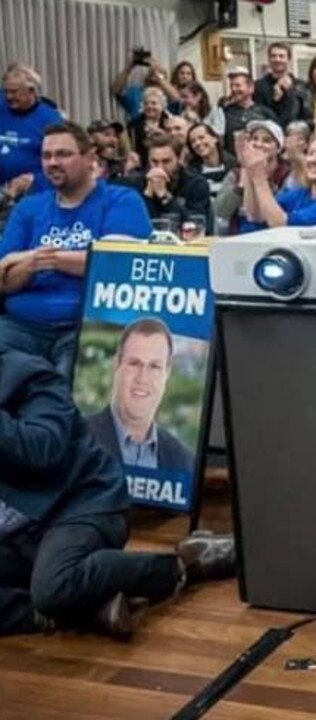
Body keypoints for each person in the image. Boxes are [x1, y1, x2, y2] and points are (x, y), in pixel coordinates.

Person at [0, 347, 235, 639]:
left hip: (80, 503)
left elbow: (42, 448)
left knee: (55, 587)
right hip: (17, 527)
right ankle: (78, 611)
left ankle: (185, 562)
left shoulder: (29, 375)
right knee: (52, 589)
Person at [0, 123, 152, 378]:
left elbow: (116, 266)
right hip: (21, 326)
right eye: (46, 156)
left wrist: (38, 258)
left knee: (62, 391)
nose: (52, 163)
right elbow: (4, 280)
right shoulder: (29, 208)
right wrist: (37, 261)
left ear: (90, 157)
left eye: (63, 154)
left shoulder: (121, 200)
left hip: (86, 326)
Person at [84, 318, 195, 472]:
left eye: (154, 366)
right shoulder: (77, 439)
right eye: (134, 363)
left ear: (166, 374)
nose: (142, 378)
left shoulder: (184, 462)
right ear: (117, 365)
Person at [121, 133, 212, 235]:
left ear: (179, 159)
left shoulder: (196, 184)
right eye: (154, 162)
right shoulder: (135, 183)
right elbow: (129, 224)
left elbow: (194, 225)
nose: (160, 168)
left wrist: (165, 197)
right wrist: (147, 197)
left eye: (166, 161)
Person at [0, 64, 62, 196]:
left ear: (32, 91)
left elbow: (60, 163)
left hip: (32, 193)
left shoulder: (51, 119)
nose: (8, 97)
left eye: (14, 92)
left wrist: (34, 180)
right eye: (5, 91)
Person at [220, 67, 277, 149]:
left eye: (238, 85)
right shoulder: (224, 113)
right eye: (231, 86)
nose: (233, 89)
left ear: (251, 88)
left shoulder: (265, 113)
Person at [186, 123, 234, 215]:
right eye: (193, 141)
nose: (198, 143)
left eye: (201, 137)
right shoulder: (191, 173)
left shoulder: (233, 165)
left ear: (215, 138)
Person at [253, 43, 304, 125]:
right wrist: (275, 100)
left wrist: (290, 93)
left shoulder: (300, 86)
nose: (277, 59)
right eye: (273, 56)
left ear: (289, 59)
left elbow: (304, 115)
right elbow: (260, 115)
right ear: (269, 59)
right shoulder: (258, 86)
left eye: (281, 56)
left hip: (295, 134)